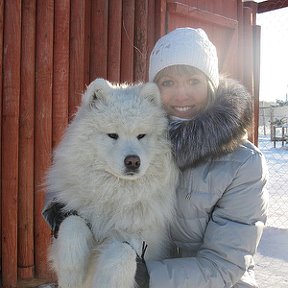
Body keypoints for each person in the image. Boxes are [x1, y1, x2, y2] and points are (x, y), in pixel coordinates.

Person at [43, 27, 269, 288]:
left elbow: (222, 266)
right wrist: (63, 214)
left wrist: (142, 273)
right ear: (155, 89)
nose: (181, 94)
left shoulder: (244, 163)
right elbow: (77, 167)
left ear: (210, 83)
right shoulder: (153, 127)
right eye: (169, 82)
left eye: (193, 80)